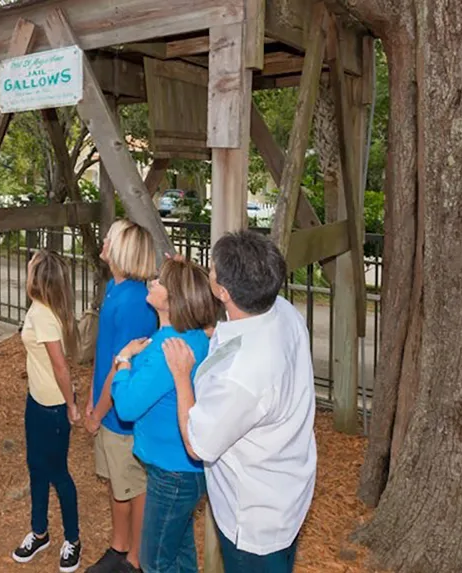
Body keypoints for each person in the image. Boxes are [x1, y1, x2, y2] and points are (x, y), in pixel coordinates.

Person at [162, 230, 317, 573]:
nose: (210, 272)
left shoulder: (244, 376)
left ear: (224, 292)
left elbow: (197, 443)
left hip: (254, 518)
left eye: (213, 272)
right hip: (285, 488)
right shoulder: (282, 311)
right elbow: (236, 338)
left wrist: (180, 374)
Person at [111, 258, 220, 573]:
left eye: (160, 282)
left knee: (154, 559)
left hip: (172, 473)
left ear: (172, 302)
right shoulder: (196, 335)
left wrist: (123, 362)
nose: (152, 283)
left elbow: (127, 407)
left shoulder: (166, 349)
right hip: (186, 470)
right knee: (179, 551)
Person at [83, 219, 159, 573]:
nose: (104, 239)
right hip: (109, 405)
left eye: (110, 236)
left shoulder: (132, 301)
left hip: (122, 415)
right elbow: (105, 353)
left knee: (133, 484)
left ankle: (135, 558)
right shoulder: (116, 287)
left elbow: (121, 364)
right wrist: (91, 397)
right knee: (118, 482)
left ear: (122, 249)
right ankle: (120, 546)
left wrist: (97, 413)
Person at [12, 250, 83, 573]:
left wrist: (71, 405)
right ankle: (40, 532)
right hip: (36, 402)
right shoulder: (41, 308)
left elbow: (60, 367)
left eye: (31, 266)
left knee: (57, 473)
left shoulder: (43, 315)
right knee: (36, 468)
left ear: (39, 279)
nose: (27, 268)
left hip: (53, 407)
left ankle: (73, 539)